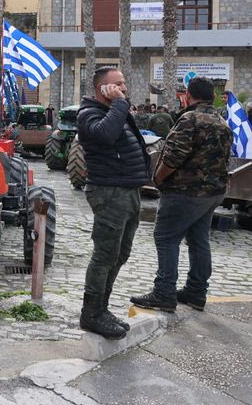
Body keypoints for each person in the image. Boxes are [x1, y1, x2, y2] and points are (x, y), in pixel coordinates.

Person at [131, 77, 233, 313]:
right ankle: (196, 292)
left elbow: (174, 156)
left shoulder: (189, 119)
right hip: (213, 192)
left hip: (185, 191)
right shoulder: (222, 121)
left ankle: (164, 292)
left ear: (188, 95)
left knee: (166, 237)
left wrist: (158, 178)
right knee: (199, 240)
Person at [77, 67, 150, 340]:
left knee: (120, 254)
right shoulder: (89, 114)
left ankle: (102, 309)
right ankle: (91, 313)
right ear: (102, 90)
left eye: (124, 83)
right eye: (117, 84)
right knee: (105, 254)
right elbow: (105, 135)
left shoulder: (115, 111)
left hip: (128, 190)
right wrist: (119, 104)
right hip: (109, 192)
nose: (124, 88)